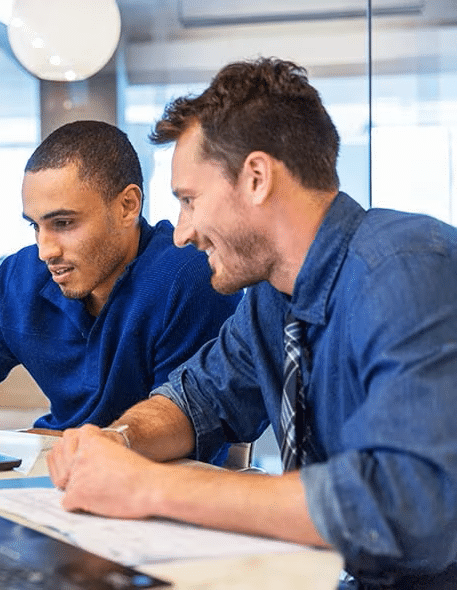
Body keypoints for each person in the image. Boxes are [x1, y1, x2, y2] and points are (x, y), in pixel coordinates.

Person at [46, 60, 457, 588]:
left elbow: (413, 506)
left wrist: (148, 488)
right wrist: (116, 443)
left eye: (189, 201)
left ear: (257, 179)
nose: (181, 233)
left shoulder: (405, 268)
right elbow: (199, 400)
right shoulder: (271, 298)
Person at [0, 120, 242, 453]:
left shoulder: (188, 277)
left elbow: (189, 425)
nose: (46, 250)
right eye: (35, 226)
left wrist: (69, 443)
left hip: (155, 491)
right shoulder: (22, 278)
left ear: (127, 206)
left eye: (63, 223)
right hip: (54, 475)